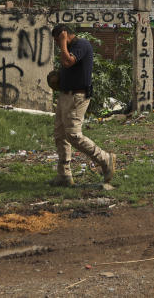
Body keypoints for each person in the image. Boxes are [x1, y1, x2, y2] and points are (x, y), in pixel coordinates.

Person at [50, 24, 116, 187]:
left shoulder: (81, 45)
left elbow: (68, 62)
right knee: (60, 134)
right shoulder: (70, 46)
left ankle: (105, 158)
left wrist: (63, 42)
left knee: (73, 134)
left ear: (64, 35)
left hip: (77, 97)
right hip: (65, 95)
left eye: (57, 40)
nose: (58, 44)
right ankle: (64, 175)